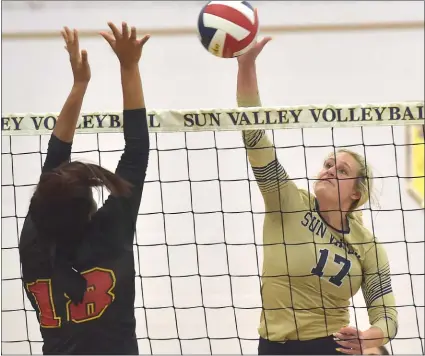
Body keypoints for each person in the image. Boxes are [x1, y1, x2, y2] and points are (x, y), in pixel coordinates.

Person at [234, 21, 398, 356]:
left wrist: (372, 337)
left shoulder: (367, 246)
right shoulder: (287, 202)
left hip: (330, 346)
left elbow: (387, 316)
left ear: (357, 192)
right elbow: (255, 138)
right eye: (327, 165)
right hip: (272, 346)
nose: (329, 171)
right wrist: (246, 66)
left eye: (342, 170)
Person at [19, 22, 150, 354]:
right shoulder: (109, 235)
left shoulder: (35, 242)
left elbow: (55, 168)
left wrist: (79, 84)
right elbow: (136, 152)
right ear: (90, 208)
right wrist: (129, 66)